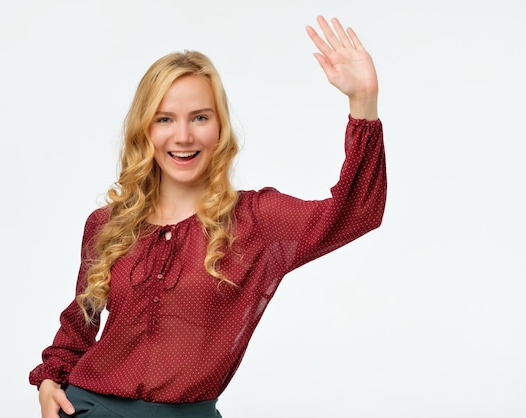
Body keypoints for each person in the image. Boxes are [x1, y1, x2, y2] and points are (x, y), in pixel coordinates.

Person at [29, 15, 387, 418]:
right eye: (165, 119)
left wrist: (364, 103)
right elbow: (79, 325)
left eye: (200, 117)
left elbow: (357, 212)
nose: (183, 136)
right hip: (87, 408)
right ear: (145, 130)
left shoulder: (256, 219)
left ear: (220, 128)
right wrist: (50, 381)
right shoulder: (106, 224)